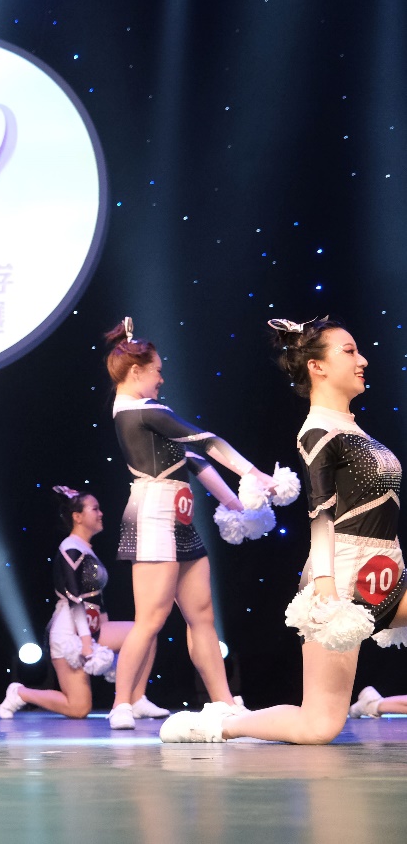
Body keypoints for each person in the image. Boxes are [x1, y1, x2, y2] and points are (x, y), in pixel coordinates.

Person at [162, 317, 407, 743]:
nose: (363, 360)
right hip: (342, 581)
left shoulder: (354, 429)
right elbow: (321, 514)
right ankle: (219, 724)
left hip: (384, 574)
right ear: (317, 367)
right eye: (349, 351)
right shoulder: (318, 431)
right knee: (319, 726)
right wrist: (326, 589)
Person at [102, 317, 277, 730]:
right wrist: (255, 474)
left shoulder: (144, 414)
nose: (162, 379)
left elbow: (194, 460)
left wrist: (235, 504)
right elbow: (206, 441)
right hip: (152, 516)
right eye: (157, 371)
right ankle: (121, 703)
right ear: (136, 371)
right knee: (151, 618)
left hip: (180, 518)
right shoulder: (142, 411)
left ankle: (224, 702)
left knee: (201, 616)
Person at [0, 487, 168, 720]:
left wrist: (105, 634)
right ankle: (20, 693)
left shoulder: (86, 549)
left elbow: (96, 599)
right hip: (69, 633)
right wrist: (87, 643)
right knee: (78, 708)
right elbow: (74, 598)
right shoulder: (71, 548)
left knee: (145, 633)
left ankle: (136, 699)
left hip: (91, 628)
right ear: (77, 517)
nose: (101, 513)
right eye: (95, 509)